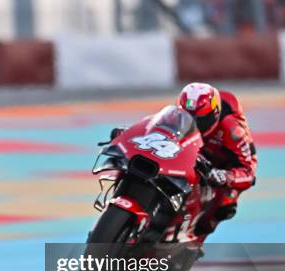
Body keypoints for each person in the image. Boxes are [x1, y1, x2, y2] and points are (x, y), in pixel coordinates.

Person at [109, 82, 257, 240]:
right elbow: (153, 126)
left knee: (223, 207)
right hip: (189, 153)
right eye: (187, 115)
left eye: (199, 119)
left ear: (213, 115)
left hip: (220, 167)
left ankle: (190, 243)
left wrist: (226, 176)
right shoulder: (175, 116)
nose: (192, 122)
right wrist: (130, 133)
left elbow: (249, 172)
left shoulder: (233, 130)